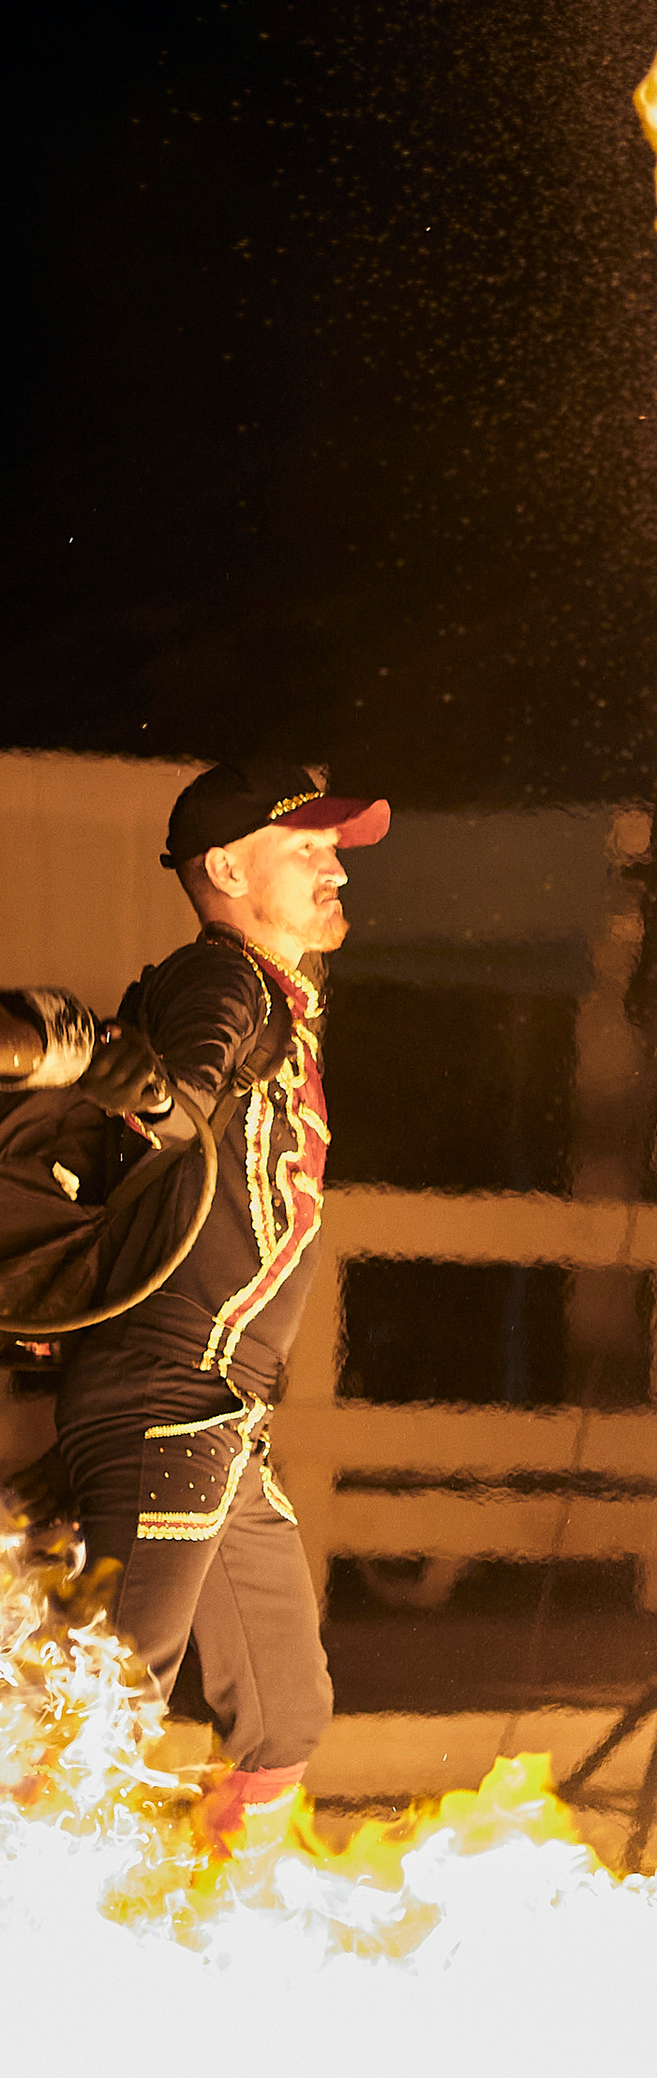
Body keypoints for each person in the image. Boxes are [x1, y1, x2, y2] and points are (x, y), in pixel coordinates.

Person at [44, 762, 389, 1862]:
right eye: (309, 849)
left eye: (335, 848)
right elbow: (181, 1092)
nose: (337, 868)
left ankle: (224, 1916)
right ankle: (43, 1924)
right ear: (229, 871)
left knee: (285, 1714)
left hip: (224, 1416)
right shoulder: (224, 980)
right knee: (104, 1711)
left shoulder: (273, 996)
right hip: (168, 1397)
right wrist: (156, 1094)